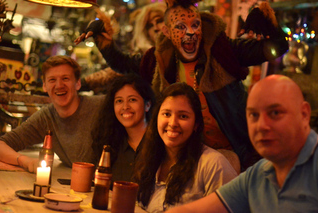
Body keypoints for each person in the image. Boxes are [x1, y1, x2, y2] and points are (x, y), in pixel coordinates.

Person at [75, 0, 289, 170]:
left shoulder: (223, 52)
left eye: (195, 25)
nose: (190, 33)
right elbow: (123, 63)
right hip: (188, 156)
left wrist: (268, 23)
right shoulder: (159, 62)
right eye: (181, 27)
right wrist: (104, 41)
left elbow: (276, 48)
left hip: (236, 153)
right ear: (167, 32)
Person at [166, 74, 318, 213]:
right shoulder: (258, 174)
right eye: (253, 115)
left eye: (275, 113)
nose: (261, 125)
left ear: (304, 114)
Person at [133, 82, 238, 212]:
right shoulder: (149, 158)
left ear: (196, 125)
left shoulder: (213, 165)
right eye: (166, 114)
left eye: (183, 116)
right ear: (156, 119)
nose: (173, 123)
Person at [0, 55, 105, 173]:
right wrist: (25, 161)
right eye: (52, 80)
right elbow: (1, 145)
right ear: (45, 86)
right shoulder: (46, 117)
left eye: (65, 78)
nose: (59, 85)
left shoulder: (100, 106)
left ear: (78, 83)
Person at [91, 74, 155, 184]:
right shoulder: (110, 144)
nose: (125, 107)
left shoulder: (159, 143)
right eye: (119, 101)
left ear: (147, 105)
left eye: (132, 100)